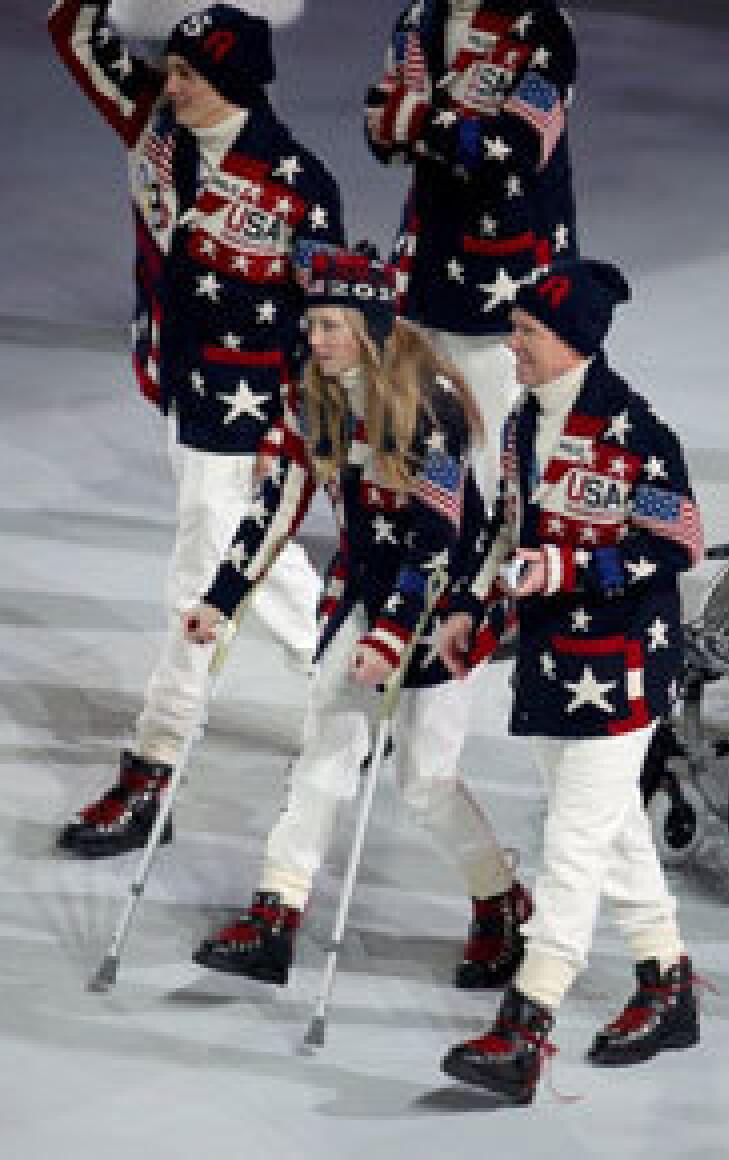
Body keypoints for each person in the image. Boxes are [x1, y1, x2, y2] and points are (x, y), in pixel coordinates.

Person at [182, 240, 530, 988]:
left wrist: (393, 634)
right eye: (312, 327)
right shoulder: (317, 398)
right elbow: (277, 505)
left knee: (423, 782)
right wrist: (221, 596)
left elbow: (438, 541)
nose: (317, 341)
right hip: (367, 592)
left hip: (443, 606)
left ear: (370, 327)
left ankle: (501, 903)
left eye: (332, 326)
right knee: (325, 749)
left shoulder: (429, 408)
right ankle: (277, 910)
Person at [49, 1, 345, 857]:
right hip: (181, 389)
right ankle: (350, 682)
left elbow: (329, 332)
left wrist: (294, 443)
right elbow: (74, 34)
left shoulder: (296, 182)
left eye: (186, 74)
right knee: (250, 562)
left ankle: (154, 767)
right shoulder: (153, 124)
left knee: (198, 583)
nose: (166, 83)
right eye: (169, 70)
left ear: (230, 84)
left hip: (252, 415)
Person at [435, 258, 705, 1105]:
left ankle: (526, 1026)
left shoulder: (636, 433)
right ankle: (668, 984)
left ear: (573, 344)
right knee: (611, 822)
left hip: (624, 663)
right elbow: (504, 530)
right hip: (555, 663)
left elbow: (681, 544)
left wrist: (567, 566)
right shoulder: (522, 421)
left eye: (526, 333)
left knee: (574, 841)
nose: (510, 344)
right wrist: (470, 608)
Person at [363, 0, 579, 501]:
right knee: (417, 435)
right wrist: (418, 127)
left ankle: (489, 566)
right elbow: (384, 134)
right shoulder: (418, 19)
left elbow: (519, 147)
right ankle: (430, 557)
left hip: (503, 278)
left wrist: (420, 123)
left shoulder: (542, 26)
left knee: (492, 444)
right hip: (425, 266)